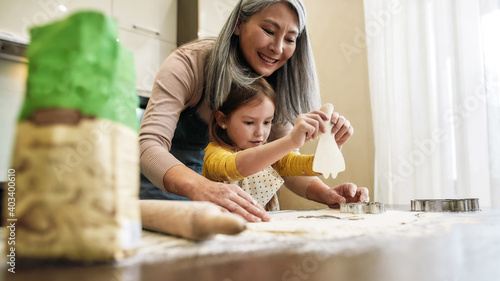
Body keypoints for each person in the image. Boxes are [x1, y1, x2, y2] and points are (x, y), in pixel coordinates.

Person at [139, 0, 369, 222]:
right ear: (239, 22)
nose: (278, 48)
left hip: (228, 205)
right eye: (269, 30)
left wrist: (326, 193)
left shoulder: (276, 82)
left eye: (290, 38)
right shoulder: (189, 64)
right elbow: (149, 147)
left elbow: (284, 162)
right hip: (166, 194)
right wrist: (201, 186)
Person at [203, 78, 334, 211]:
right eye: (249, 122)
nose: (260, 133)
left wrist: (332, 145)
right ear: (222, 120)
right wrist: (291, 141)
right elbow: (234, 166)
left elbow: (305, 166)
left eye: (267, 122)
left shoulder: (272, 155)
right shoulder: (214, 154)